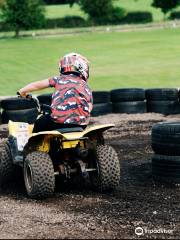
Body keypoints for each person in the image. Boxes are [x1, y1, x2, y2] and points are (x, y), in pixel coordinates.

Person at [18, 52, 93, 132]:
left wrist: (22, 91)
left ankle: (33, 143)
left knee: (40, 122)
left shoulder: (58, 79)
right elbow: (89, 107)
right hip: (82, 125)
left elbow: (37, 85)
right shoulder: (86, 86)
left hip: (58, 122)